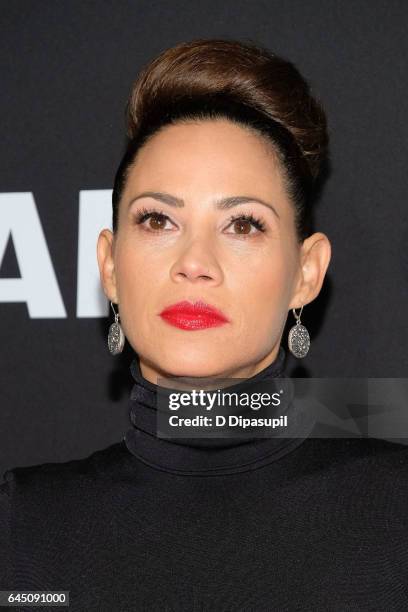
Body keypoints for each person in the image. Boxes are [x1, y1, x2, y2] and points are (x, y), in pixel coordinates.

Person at [1, 38, 407, 612]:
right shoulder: (21, 526)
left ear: (307, 273)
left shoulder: (396, 515)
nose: (194, 262)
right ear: (110, 267)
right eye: (158, 219)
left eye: (242, 225)